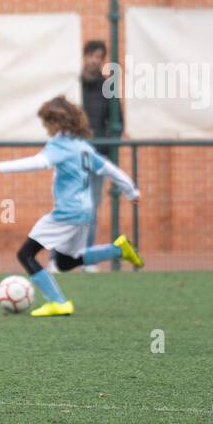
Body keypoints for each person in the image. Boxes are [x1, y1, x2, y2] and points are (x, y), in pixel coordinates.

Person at [0, 95, 143, 316]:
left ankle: (58, 302)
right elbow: (109, 168)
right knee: (66, 261)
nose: (45, 128)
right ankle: (118, 250)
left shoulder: (59, 146)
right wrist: (131, 190)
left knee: (25, 255)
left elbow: (38, 163)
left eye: (46, 124)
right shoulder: (82, 146)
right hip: (85, 212)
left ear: (56, 122)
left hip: (67, 213)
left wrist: (1, 166)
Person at [79, 40, 120, 260]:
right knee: (68, 209)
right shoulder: (72, 86)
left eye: (99, 56)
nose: (95, 60)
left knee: (91, 209)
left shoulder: (107, 88)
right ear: (84, 57)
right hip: (73, 159)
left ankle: (87, 258)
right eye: (92, 55)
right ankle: (59, 258)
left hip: (95, 158)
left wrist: (103, 147)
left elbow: (116, 123)